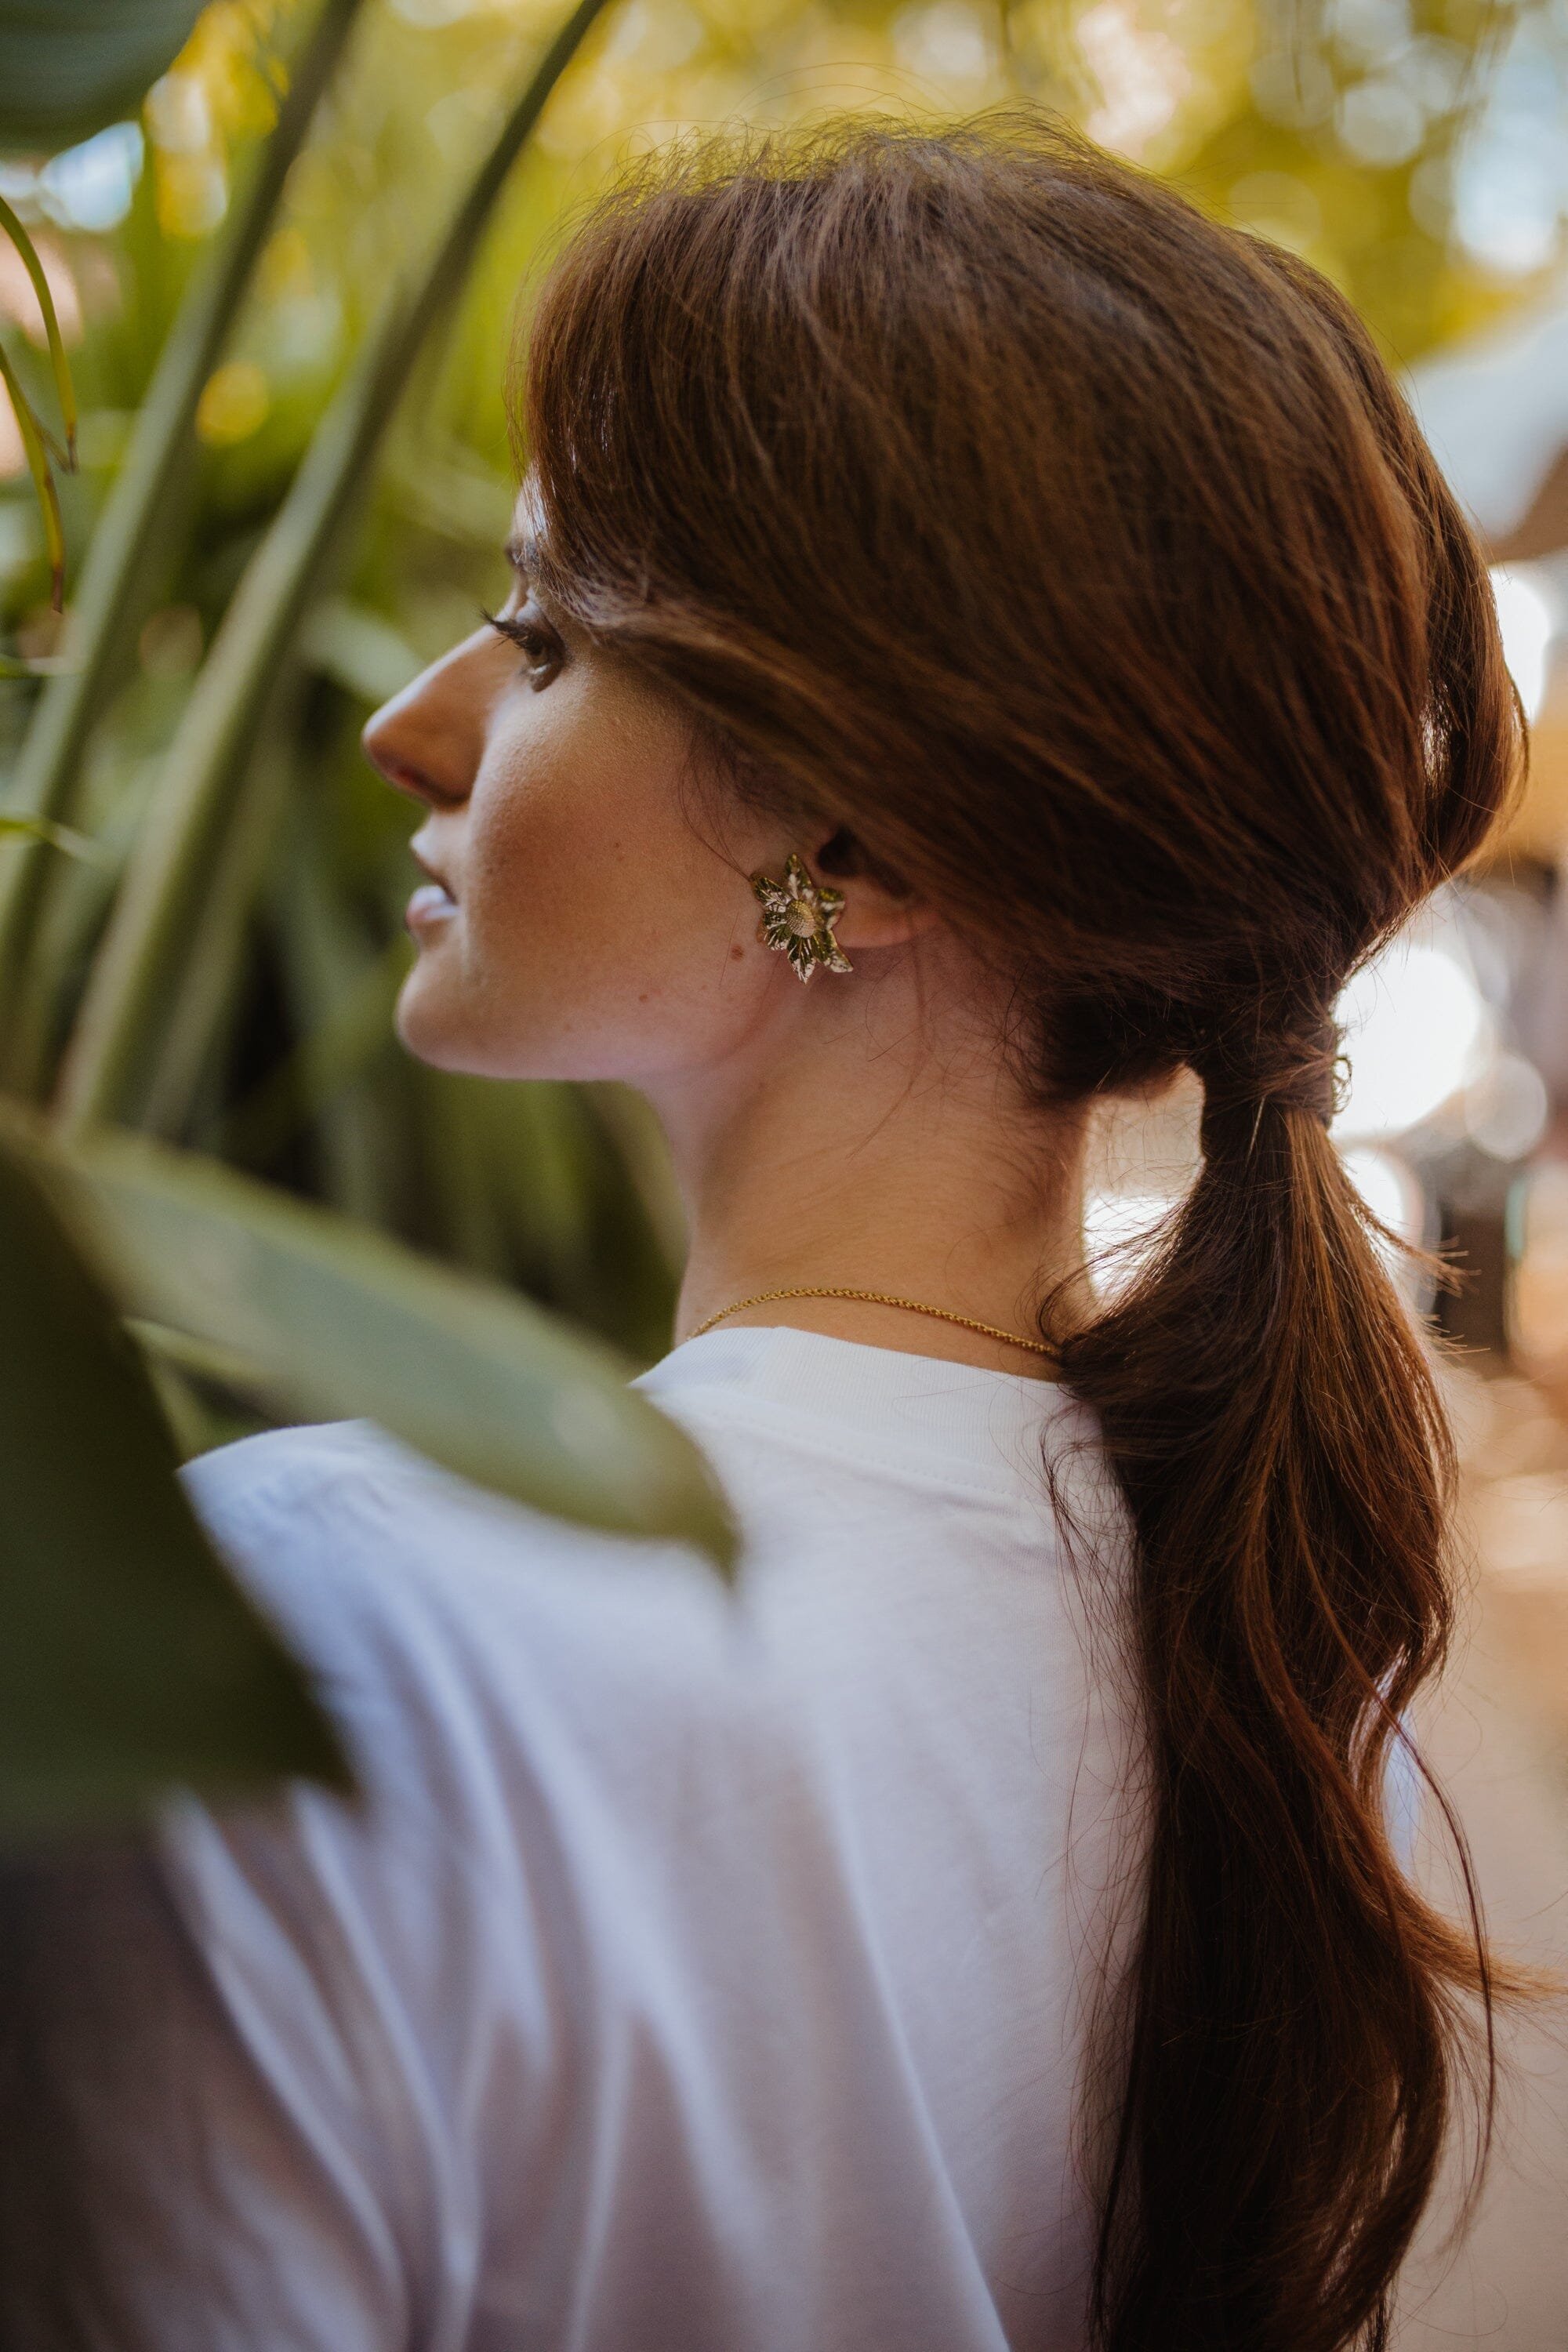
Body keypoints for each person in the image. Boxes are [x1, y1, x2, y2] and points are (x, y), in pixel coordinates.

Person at [0, 112, 1534, 2352]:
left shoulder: (296, 1650)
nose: (407, 720)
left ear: (863, 844)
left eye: (540, 636)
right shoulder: (1288, 1667)